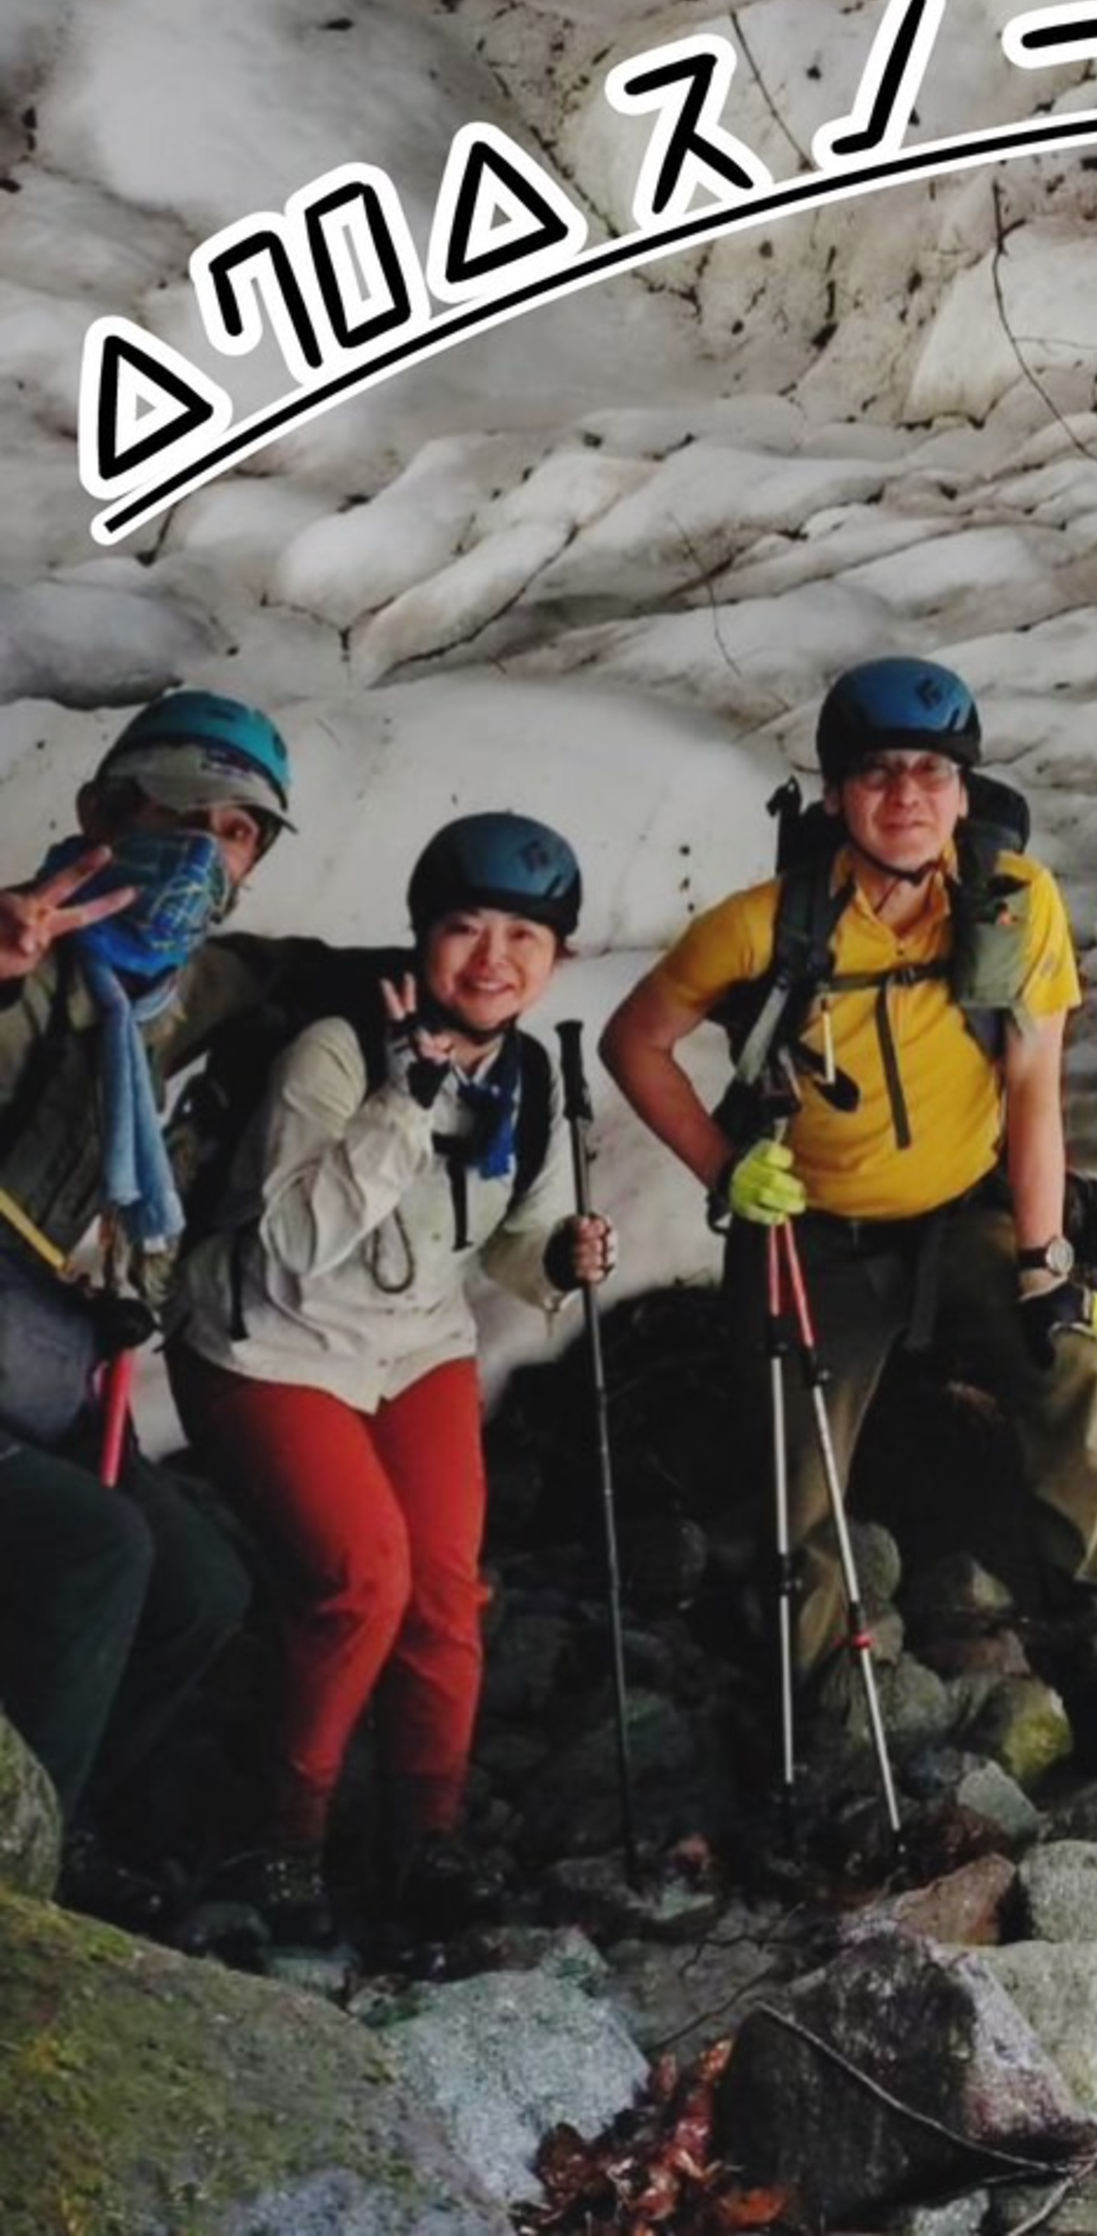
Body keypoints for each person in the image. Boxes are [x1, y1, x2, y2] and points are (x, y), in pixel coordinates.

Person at [600, 656, 1097, 1758]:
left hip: (961, 1211)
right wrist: (723, 1169)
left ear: (963, 789)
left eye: (932, 772)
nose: (906, 796)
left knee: (1068, 1363)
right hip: (814, 1234)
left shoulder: (1015, 904)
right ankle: (826, 1708)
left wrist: (1045, 1264)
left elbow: (1033, 1088)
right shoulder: (764, 927)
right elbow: (633, 1042)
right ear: (839, 792)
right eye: (878, 772)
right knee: (796, 1479)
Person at [166, 814, 613, 1936]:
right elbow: (292, 1242)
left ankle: (427, 1840)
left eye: (525, 936)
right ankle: (283, 1842)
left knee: (444, 1591)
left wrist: (557, 1263)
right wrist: (404, 1100)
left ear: (558, 956)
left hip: (415, 1345)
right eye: (467, 928)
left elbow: (513, 1241)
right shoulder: (336, 1049)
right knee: (362, 1579)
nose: (495, 959)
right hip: (270, 1340)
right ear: (422, 935)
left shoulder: (527, 1077)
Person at [0, 691, 283, 1890]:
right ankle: (17, 1890)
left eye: (237, 832)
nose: (205, 855)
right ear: (103, 815)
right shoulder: (30, 960)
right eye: (179, 815)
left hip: (39, 1376)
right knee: (97, 1551)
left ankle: (49, 1815)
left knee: (200, 1588)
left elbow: (296, 978)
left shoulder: (184, 989)